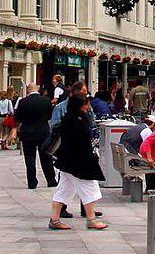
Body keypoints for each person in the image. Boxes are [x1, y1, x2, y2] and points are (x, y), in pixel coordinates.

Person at [48, 94, 108, 230]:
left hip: (67, 161)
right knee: (89, 188)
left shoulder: (69, 118)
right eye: (85, 104)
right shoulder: (78, 119)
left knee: (64, 190)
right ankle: (91, 219)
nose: (88, 107)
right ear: (79, 105)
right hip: (78, 162)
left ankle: (55, 220)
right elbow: (82, 142)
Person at [15, 83, 56, 189]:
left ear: (28, 90)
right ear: (37, 89)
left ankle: (32, 182)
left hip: (27, 133)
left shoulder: (23, 102)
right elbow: (49, 116)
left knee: (29, 158)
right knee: (46, 157)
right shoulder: (46, 100)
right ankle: (51, 180)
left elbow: (18, 117)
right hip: (43, 132)